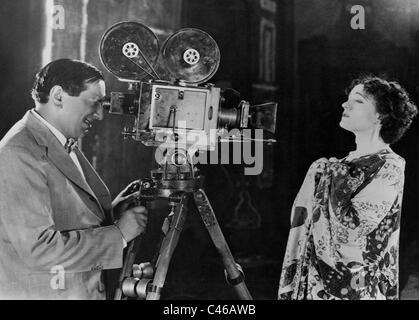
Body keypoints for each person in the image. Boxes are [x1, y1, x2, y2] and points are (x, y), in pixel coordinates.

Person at [0, 59, 148, 299]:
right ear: (58, 96)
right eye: (95, 102)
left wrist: (111, 214)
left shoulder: (58, 141)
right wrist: (118, 235)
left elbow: (67, 214)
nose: (100, 114)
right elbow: (40, 249)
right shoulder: (19, 152)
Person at [278, 75, 418, 300]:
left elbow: (352, 232)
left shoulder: (389, 166)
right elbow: (304, 222)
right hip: (314, 286)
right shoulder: (336, 167)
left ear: (380, 115)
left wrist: (330, 175)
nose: (345, 104)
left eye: (359, 101)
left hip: (355, 290)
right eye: (347, 99)